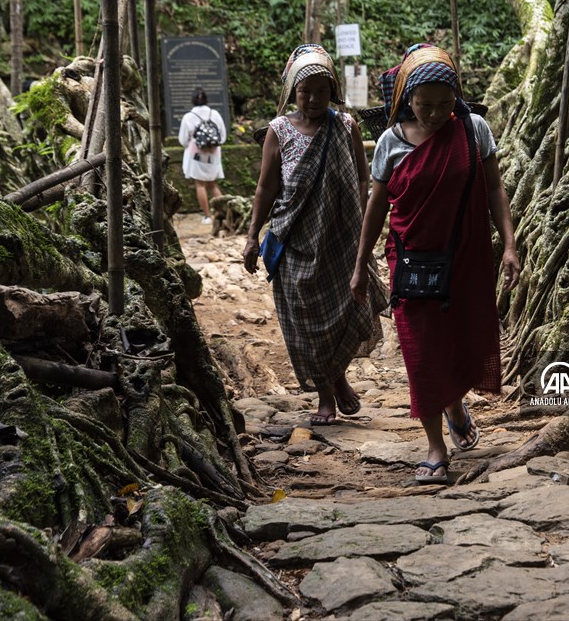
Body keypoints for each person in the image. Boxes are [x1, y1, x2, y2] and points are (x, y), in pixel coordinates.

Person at [350, 44, 521, 484]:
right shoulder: (390, 142)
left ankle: (454, 403)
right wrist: (360, 264)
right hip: (411, 260)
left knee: (461, 339)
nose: (434, 114)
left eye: (445, 104)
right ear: (406, 97)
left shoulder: (473, 130)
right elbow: (376, 207)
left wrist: (509, 245)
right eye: (424, 104)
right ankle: (435, 447)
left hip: (465, 257)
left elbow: (495, 188)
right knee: (421, 350)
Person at [243, 44, 386, 425]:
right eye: (305, 91)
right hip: (295, 242)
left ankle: (336, 378)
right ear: (293, 91)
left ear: (332, 91)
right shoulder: (278, 131)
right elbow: (266, 188)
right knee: (305, 321)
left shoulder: (345, 126)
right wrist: (252, 236)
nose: (312, 98)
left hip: (340, 240)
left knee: (345, 311)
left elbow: (362, 177)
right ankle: (328, 391)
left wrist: (360, 223)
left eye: (321, 91)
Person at [178, 87, 227, 224]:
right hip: (214, 155)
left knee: (200, 185)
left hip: (196, 156)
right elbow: (222, 137)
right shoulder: (215, 114)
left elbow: (183, 140)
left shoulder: (188, 117)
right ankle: (223, 213)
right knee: (212, 184)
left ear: (193, 100)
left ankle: (207, 216)